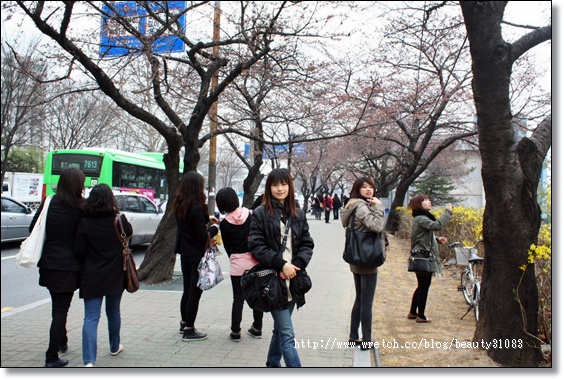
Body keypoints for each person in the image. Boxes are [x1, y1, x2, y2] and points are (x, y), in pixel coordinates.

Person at [248, 168, 314, 367]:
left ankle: (272, 364)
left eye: (284, 184)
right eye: (275, 184)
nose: (280, 188)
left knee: (280, 329)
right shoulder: (260, 213)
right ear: (269, 188)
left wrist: (296, 266)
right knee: (287, 333)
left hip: (293, 279)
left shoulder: (298, 213)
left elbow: (306, 244)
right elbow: (256, 246)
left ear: (290, 186)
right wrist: (282, 264)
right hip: (273, 281)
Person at [30, 168, 85, 368]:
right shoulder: (82, 207)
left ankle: (62, 341)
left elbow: (33, 228)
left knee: (57, 306)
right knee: (61, 309)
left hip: (48, 264)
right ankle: (51, 356)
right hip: (69, 266)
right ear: (78, 185)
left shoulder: (48, 203)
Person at [74, 184, 133, 367]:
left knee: (91, 317)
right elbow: (129, 234)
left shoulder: (84, 221)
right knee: (113, 311)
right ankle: (115, 346)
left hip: (91, 274)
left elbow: (79, 249)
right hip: (115, 273)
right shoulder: (119, 220)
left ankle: (89, 360)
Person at [340, 177, 385, 351]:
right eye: (364, 187)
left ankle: (353, 336)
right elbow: (377, 225)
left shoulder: (352, 205)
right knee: (366, 301)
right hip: (367, 258)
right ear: (357, 189)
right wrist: (379, 206)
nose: (368, 190)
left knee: (360, 299)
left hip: (357, 256)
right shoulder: (360, 207)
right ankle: (366, 341)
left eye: (371, 187)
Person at [174, 171, 219, 341]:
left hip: (185, 253)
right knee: (195, 292)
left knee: (187, 289)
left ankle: (184, 322)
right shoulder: (198, 206)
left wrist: (206, 220)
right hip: (196, 254)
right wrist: (214, 229)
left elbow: (191, 225)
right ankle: (189, 329)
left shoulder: (180, 203)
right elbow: (202, 235)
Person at [216, 187, 264, 342]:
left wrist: (235, 258)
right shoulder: (251, 215)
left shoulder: (224, 224)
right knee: (257, 296)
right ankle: (257, 328)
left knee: (238, 298)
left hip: (237, 264)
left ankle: (235, 331)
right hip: (255, 263)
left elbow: (227, 247)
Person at [407, 194, 452, 323]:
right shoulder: (421, 218)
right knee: (424, 286)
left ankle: (412, 312)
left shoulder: (420, 218)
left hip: (421, 256)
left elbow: (423, 237)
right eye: (426, 200)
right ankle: (421, 316)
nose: (429, 202)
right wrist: (447, 212)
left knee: (421, 286)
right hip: (423, 258)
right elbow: (437, 225)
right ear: (419, 204)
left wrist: (437, 239)